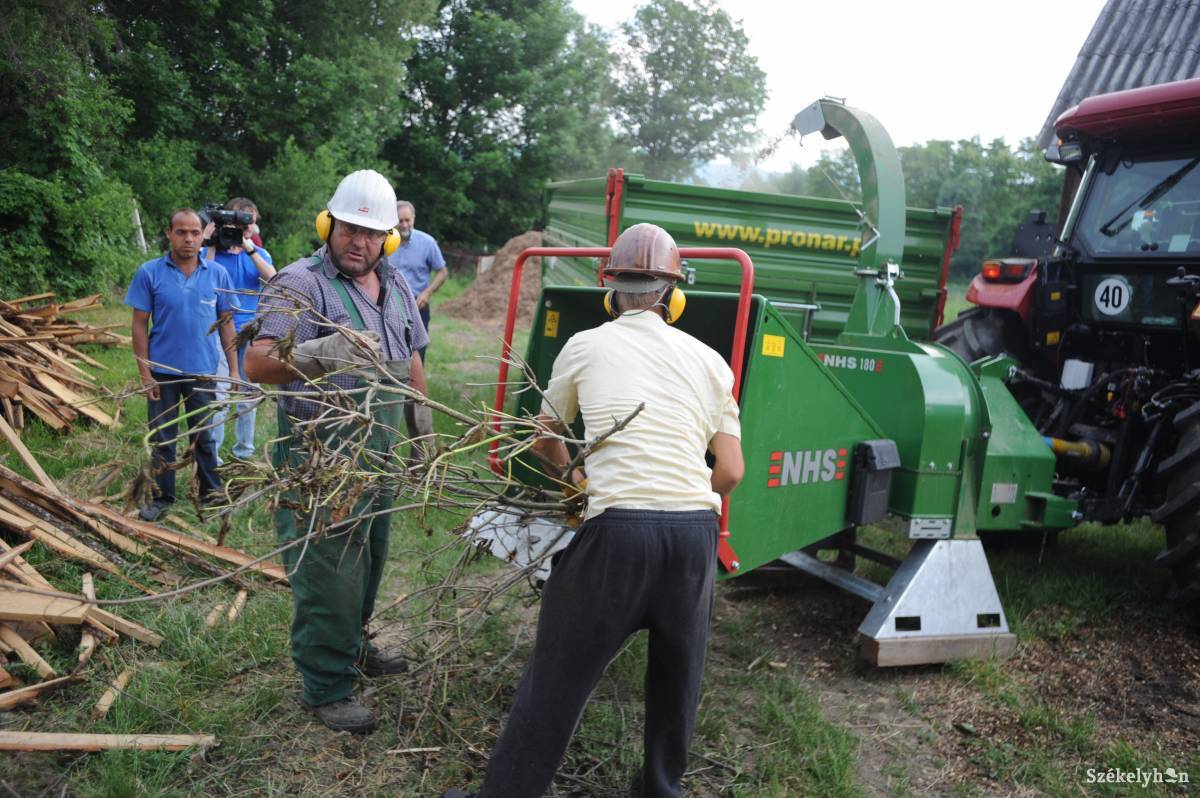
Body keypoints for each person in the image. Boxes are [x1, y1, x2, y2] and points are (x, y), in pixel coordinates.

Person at [441, 224, 745, 798]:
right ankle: (660, 790)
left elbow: (542, 436)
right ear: (674, 298)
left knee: (556, 677)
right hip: (693, 537)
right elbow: (730, 472)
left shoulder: (586, 344)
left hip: (617, 535)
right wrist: (674, 493)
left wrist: (576, 478)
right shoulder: (710, 362)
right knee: (678, 680)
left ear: (610, 293)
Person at [245, 169, 434, 735]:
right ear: (329, 225)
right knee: (328, 573)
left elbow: (413, 358)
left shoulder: (397, 284)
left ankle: (352, 646)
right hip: (317, 456)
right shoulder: (296, 285)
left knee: (369, 564)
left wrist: (423, 433)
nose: (361, 243)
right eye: (350, 229)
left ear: (389, 239)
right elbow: (255, 363)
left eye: (374, 234)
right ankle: (325, 685)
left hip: (376, 453)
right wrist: (323, 352)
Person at [125, 209, 240, 522]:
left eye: (194, 232)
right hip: (163, 373)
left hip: (203, 371)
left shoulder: (217, 274)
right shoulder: (149, 273)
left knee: (203, 435)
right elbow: (139, 326)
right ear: (169, 234)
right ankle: (161, 497)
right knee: (163, 436)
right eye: (181, 232)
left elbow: (227, 324)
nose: (188, 239)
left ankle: (211, 493)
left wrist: (233, 370)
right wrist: (145, 373)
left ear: (203, 234)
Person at [205, 197, 275, 461]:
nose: (243, 229)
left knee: (249, 393)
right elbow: (204, 276)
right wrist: (210, 241)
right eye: (238, 224)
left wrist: (249, 248)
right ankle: (212, 455)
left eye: (249, 225)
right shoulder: (213, 253)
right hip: (220, 332)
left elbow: (273, 278)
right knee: (220, 394)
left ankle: (244, 452)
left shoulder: (258, 253)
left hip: (250, 331)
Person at [389, 200, 446, 362]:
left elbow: (442, 272)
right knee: (390, 351)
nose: (405, 225)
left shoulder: (428, 243)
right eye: (400, 221)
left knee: (417, 354)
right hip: (388, 304)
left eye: (408, 220)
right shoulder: (383, 242)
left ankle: (415, 386)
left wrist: (427, 293)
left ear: (413, 218)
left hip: (417, 306)